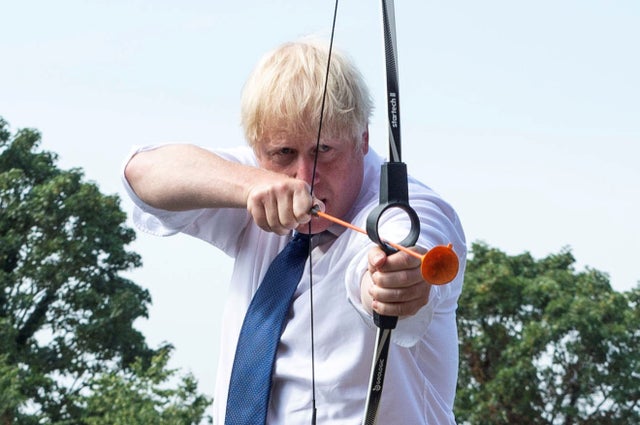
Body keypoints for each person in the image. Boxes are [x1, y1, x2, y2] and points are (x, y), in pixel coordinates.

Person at [122, 39, 466, 424]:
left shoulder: (412, 209)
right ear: (258, 150)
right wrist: (250, 185)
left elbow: (406, 245)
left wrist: (396, 282)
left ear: (363, 139)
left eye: (324, 150)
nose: (305, 178)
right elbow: (142, 174)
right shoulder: (257, 180)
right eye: (284, 154)